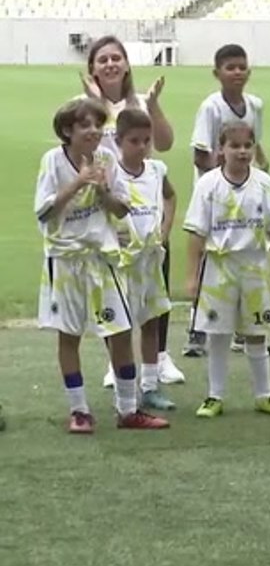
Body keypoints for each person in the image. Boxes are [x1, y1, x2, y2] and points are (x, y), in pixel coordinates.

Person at [35, 98, 170, 433]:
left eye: (97, 124)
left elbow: (121, 209)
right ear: (68, 131)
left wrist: (104, 192)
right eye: (85, 125)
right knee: (69, 335)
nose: (94, 131)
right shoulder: (52, 161)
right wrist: (78, 183)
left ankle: (128, 410)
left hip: (103, 258)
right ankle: (79, 411)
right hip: (66, 260)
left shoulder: (107, 159)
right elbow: (44, 213)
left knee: (121, 332)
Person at [79, 35, 183, 388]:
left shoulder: (138, 101)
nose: (110, 64)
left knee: (156, 280)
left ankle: (161, 357)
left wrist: (152, 106)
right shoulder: (84, 105)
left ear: (126, 64)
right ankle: (116, 360)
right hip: (105, 204)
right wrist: (96, 106)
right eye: (102, 59)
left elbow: (166, 143)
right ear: (92, 68)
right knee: (112, 284)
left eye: (116, 58)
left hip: (146, 202)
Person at [185, 122, 270, 418]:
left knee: (257, 331)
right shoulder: (207, 184)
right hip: (219, 266)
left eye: (248, 145)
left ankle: (264, 394)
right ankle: (214, 396)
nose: (242, 151)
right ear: (222, 149)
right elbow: (196, 233)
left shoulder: (264, 184)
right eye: (235, 146)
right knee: (217, 333)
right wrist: (191, 276)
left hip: (255, 265)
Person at [186, 43, 269, 358]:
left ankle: (243, 329)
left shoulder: (254, 105)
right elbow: (199, 152)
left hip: (245, 190)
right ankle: (197, 330)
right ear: (217, 73)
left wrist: (260, 166)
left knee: (243, 253)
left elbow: (253, 141)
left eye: (241, 67)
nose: (237, 73)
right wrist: (223, 179)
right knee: (211, 257)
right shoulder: (211, 107)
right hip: (214, 192)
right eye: (230, 67)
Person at [110, 108, 179, 411]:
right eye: (134, 141)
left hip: (150, 259)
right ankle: (123, 386)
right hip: (123, 262)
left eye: (146, 141)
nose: (141, 147)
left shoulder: (156, 170)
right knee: (121, 328)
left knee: (151, 322)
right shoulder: (112, 174)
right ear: (118, 140)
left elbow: (170, 196)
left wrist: (165, 229)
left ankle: (150, 385)